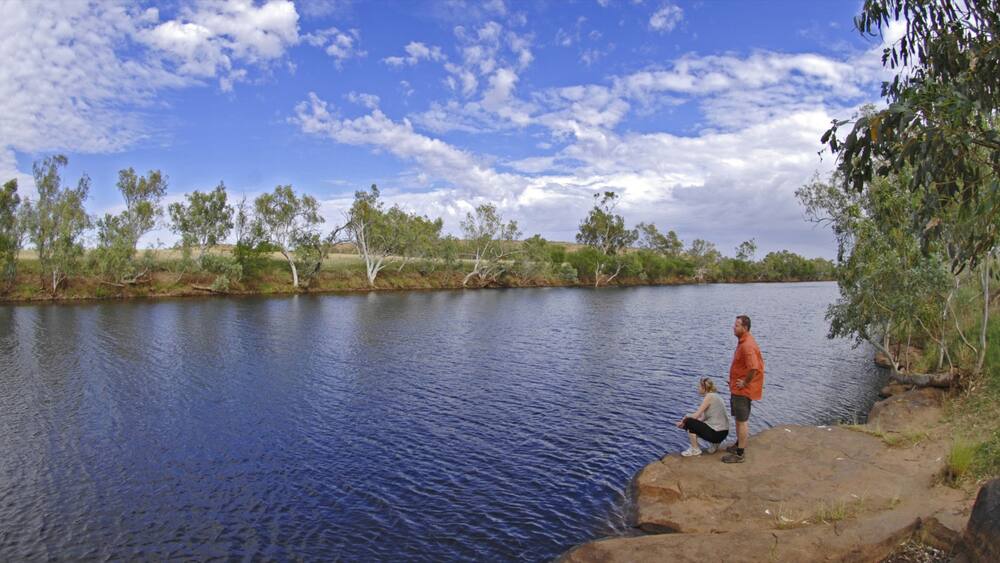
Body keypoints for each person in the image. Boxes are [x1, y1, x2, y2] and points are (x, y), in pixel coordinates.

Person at [722, 314, 765, 464]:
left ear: (745, 328)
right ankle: (738, 444)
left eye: (737, 325)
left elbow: (754, 367)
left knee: (742, 420)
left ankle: (740, 454)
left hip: (742, 391)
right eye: (735, 325)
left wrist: (745, 383)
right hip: (737, 388)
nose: (734, 327)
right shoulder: (744, 341)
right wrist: (734, 380)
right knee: (739, 419)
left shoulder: (747, 345)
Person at [675, 377, 730, 457]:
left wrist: (685, 420)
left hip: (716, 434)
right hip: (723, 434)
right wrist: (684, 425)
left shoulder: (709, 397)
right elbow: (702, 419)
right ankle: (714, 444)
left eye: (699, 387)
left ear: (704, 388)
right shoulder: (716, 396)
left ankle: (695, 449)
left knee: (689, 421)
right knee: (691, 423)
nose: (698, 388)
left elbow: (695, 416)